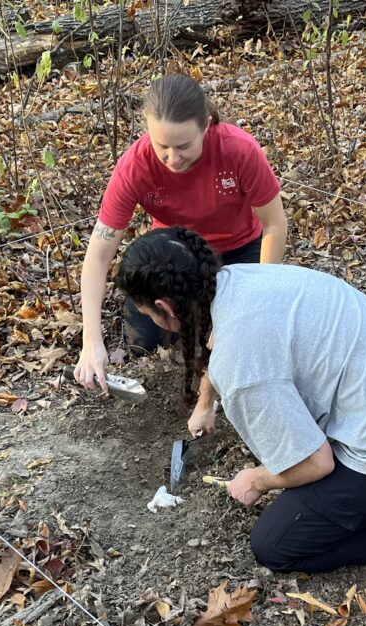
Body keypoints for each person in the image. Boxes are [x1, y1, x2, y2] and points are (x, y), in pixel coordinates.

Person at [114, 226, 366, 573]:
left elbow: (316, 464)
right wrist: (205, 400)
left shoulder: (242, 365)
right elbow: (231, 347)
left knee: (277, 544)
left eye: (148, 313)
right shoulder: (238, 280)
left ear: (164, 308)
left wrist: (259, 479)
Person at [74, 74, 288, 391]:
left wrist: (258, 296)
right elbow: (99, 253)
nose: (173, 159)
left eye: (185, 146)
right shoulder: (135, 166)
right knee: (144, 342)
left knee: (237, 336)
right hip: (174, 253)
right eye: (163, 146)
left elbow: (274, 224)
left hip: (238, 249)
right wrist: (91, 340)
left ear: (205, 127)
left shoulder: (238, 150)